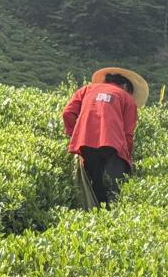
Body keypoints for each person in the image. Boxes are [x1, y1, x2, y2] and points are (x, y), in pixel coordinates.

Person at [63, 67, 149, 206]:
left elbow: (68, 113)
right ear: (126, 86)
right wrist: (128, 158)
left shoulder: (86, 90)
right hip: (113, 145)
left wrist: (76, 134)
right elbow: (128, 134)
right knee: (115, 189)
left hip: (85, 144)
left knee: (95, 184)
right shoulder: (127, 99)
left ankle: (95, 215)